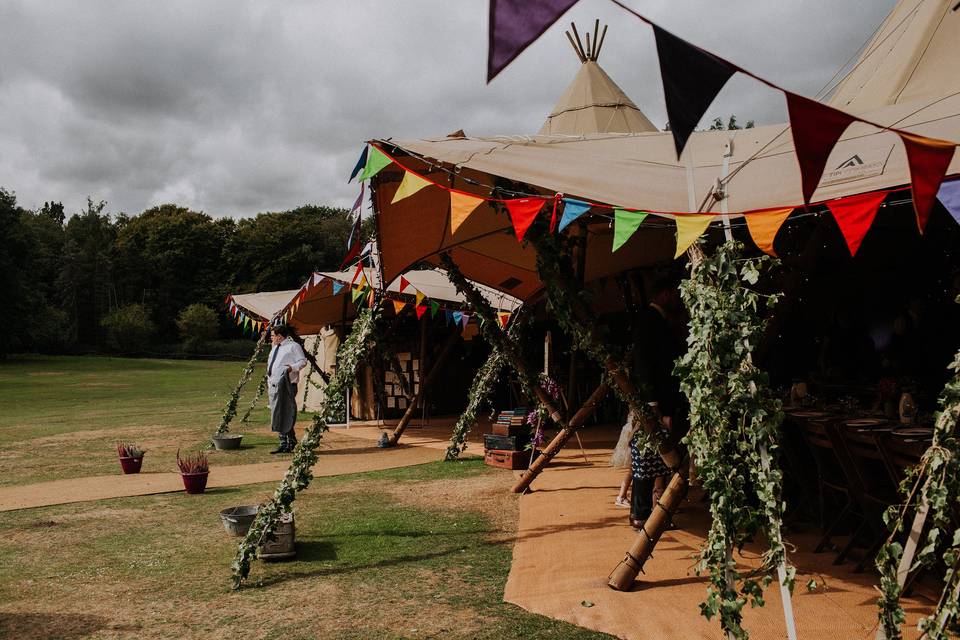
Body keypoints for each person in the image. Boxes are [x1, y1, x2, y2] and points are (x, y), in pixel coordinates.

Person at [629, 277, 687, 529]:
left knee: (659, 457)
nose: (678, 297)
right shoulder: (648, 320)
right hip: (654, 402)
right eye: (675, 291)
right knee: (649, 456)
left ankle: (654, 511)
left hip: (663, 400)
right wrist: (652, 402)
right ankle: (641, 513)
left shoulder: (660, 320)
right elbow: (643, 363)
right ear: (664, 293)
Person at [267, 325, 309, 453]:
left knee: (285, 412)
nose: (272, 338)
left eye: (273, 335)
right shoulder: (275, 348)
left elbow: (303, 361)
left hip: (287, 384)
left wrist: (291, 368)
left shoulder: (293, 346)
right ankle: (284, 442)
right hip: (274, 385)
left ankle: (289, 442)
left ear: (280, 336)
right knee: (277, 414)